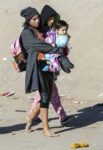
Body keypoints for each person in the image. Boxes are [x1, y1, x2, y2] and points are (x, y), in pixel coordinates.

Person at [29, 5, 74, 127]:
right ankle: (62, 117)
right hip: (43, 67)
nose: (52, 21)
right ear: (45, 19)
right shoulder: (40, 34)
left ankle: (32, 117)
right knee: (52, 94)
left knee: (44, 94)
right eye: (50, 19)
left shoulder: (52, 32)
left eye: (54, 18)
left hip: (49, 68)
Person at [20, 7, 63, 137]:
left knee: (48, 96)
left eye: (38, 17)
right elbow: (38, 45)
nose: (38, 20)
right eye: (34, 19)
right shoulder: (26, 33)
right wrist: (56, 49)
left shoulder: (40, 30)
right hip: (37, 66)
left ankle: (31, 117)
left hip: (47, 65)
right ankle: (46, 129)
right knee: (44, 96)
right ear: (28, 20)